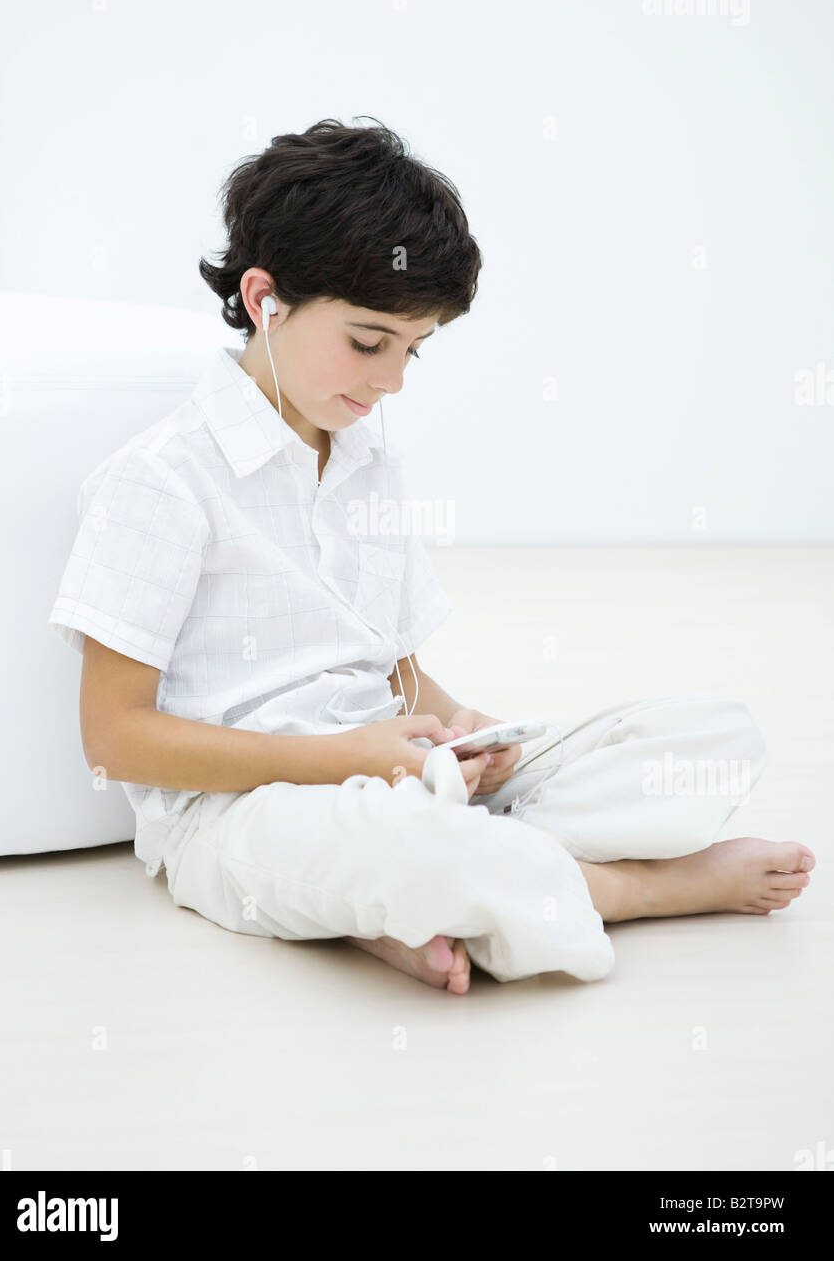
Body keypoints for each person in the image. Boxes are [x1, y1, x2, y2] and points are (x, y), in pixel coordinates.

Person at [48, 117, 814, 994]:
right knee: (395, 847)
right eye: (369, 343)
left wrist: (476, 743)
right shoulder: (158, 481)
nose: (390, 382)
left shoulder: (367, 457)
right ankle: (626, 889)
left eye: (413, 351)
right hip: (240, 812)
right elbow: (114, 739)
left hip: (397, 775)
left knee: (709, 734)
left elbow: (401, 678)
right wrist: (345, 761)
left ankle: (419, 902)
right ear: (264, 299)